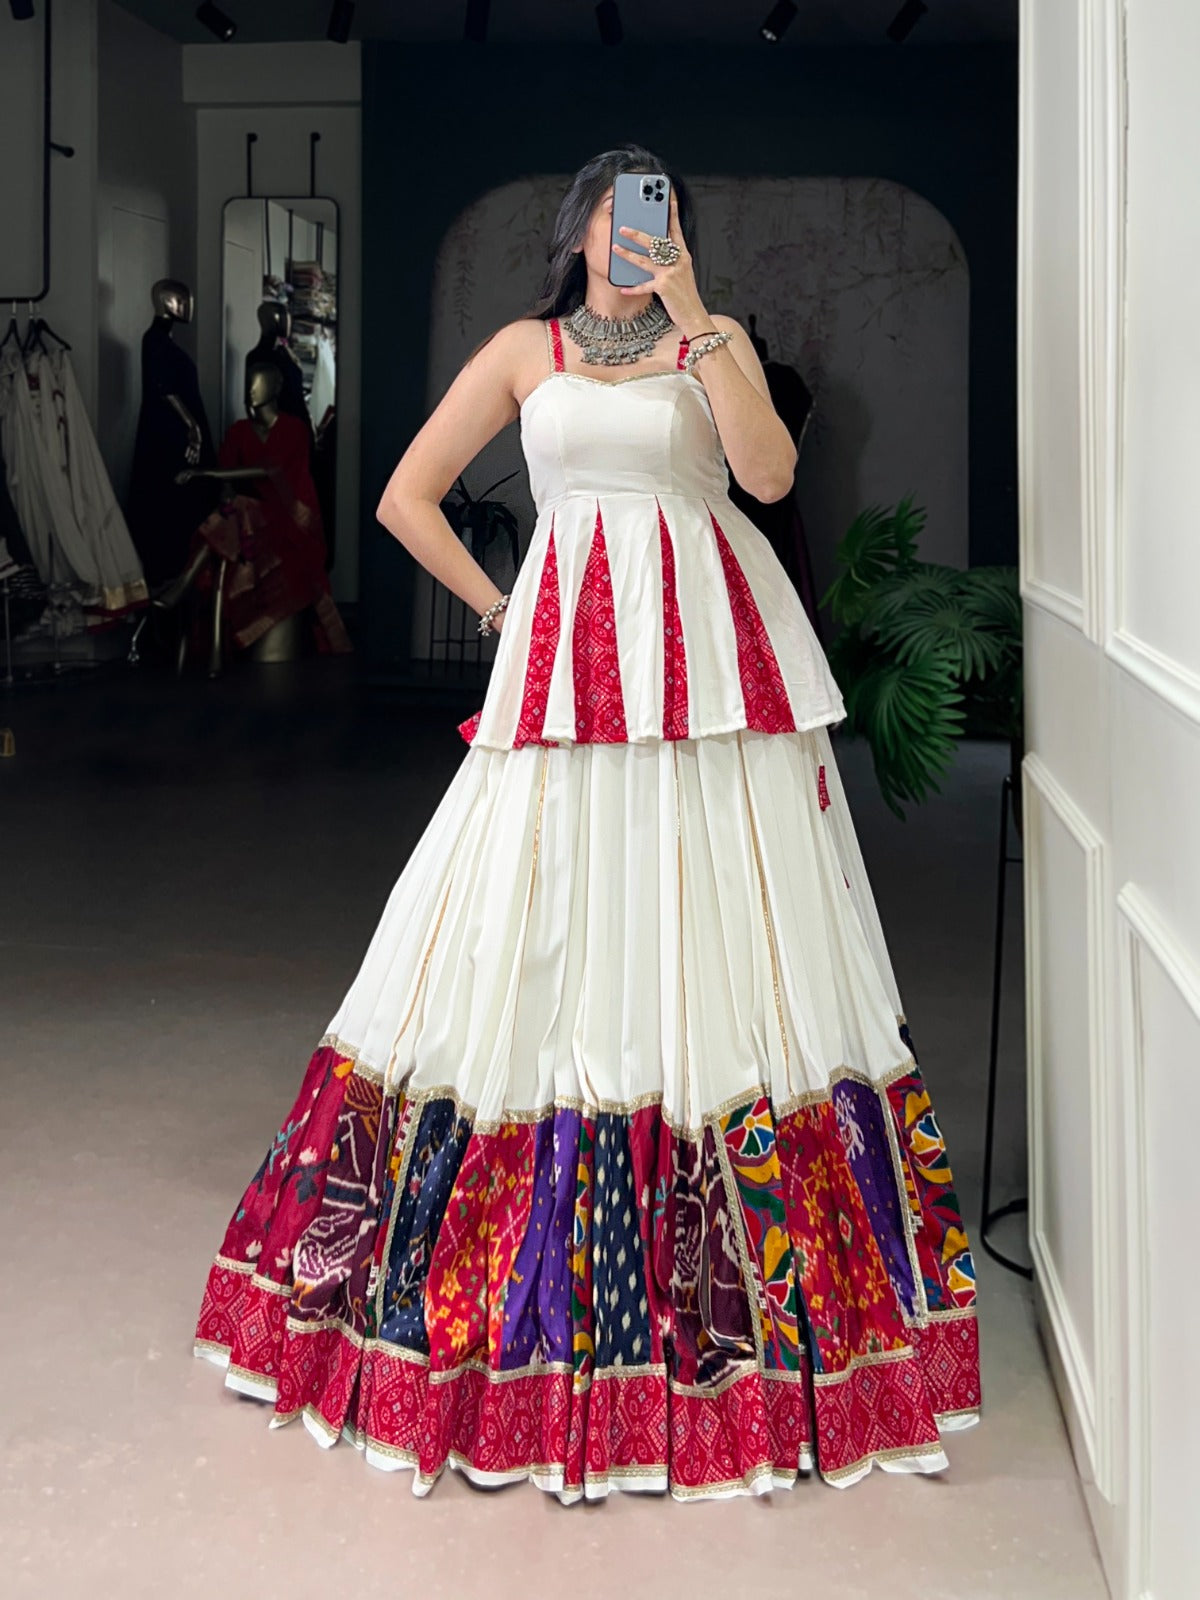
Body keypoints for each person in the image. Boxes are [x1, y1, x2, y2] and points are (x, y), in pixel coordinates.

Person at [192, 145, 981, 1502]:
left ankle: (748, 1302)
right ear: (576, 230)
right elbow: (403, 497)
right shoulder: (524, 349)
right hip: (569, 661)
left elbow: (769, 479)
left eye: (658, 213)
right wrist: (504, 612)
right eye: (618, 214)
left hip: (704, 663)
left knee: (724, 924)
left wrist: (698, 320)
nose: (637, 232)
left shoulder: (709, 340)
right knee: (529, 916)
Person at [162, 361, 350, 660]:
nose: (250, 389)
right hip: (255, 514)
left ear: (275, 387)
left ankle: (185, 581)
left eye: (258, 382)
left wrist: (206, 474)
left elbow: (270, 470)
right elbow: (228, 467)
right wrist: (224, 489)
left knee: (240, 509)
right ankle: (200, 613)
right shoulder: (239, 431)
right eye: (249, 382)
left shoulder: (294, 429)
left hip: (292, 513)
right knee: (233, 512)